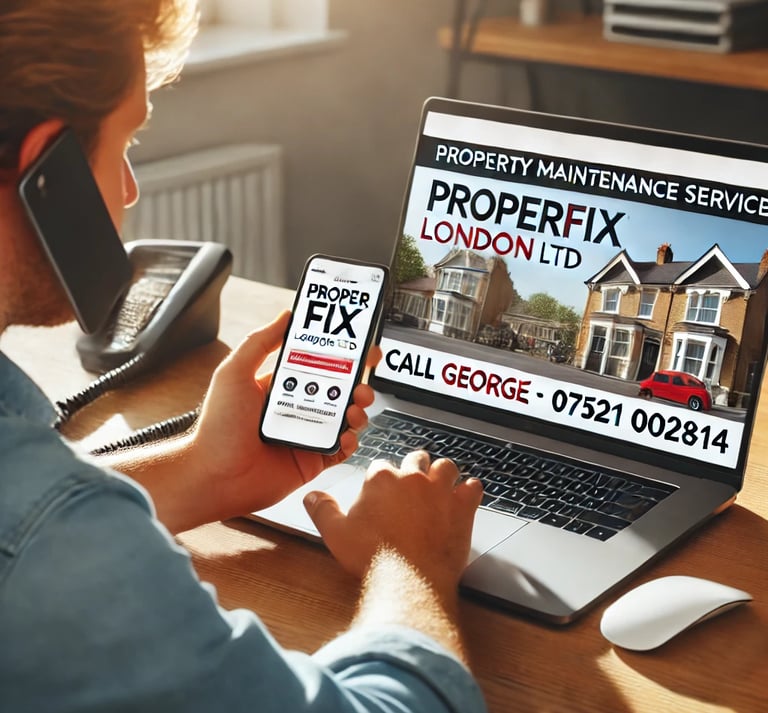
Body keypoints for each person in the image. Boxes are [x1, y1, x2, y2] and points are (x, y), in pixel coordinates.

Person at [0, 1, 487, 712]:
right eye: (126, 141)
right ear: (48, 169)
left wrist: (202, 469)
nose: (130, 189)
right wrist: (411, 561)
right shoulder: (49, 534)